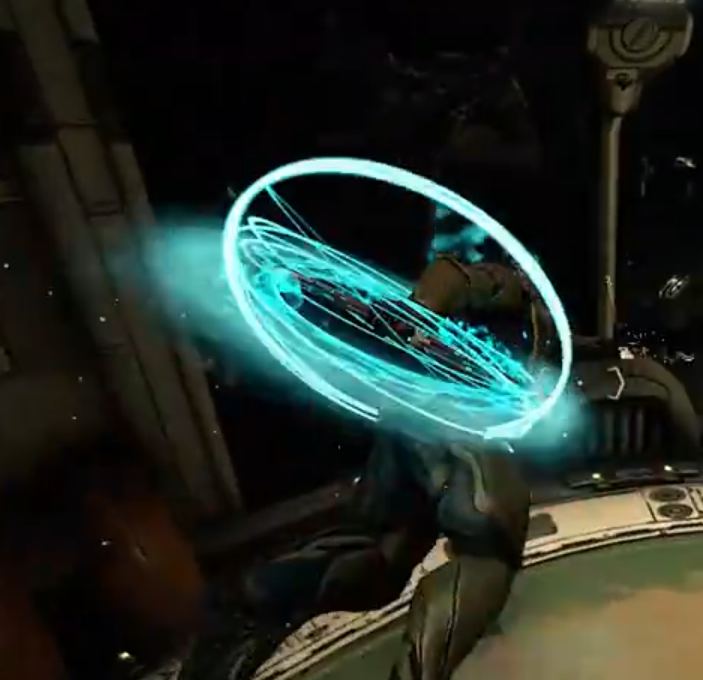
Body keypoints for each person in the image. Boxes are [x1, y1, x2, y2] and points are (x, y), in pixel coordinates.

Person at [179, 253, 552, 680]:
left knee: (383, 555)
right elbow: (455, 277)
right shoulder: (511, 291)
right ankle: (256, 607)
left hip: (419, 424)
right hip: (451, 425)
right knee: (489, 535)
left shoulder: (534, 331)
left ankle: (252, 602)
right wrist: (417, 315)